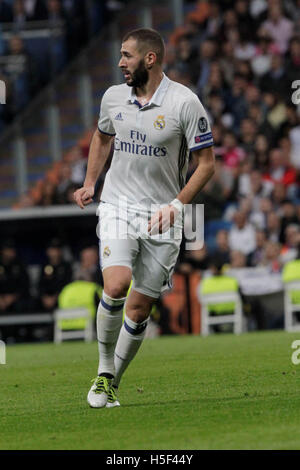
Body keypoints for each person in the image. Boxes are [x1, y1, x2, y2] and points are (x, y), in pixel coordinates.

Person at [74, 28, 215, 409]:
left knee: (138, 310)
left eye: (127, 55)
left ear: (149, 59)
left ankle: (112, 381)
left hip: (162, 216)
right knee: (116, 284)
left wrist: (178, 204)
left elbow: (206, 164)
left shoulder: (185, 103)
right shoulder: (113, 97)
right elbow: (103, 136)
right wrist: (90, 183)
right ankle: (104, 371)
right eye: (120, 55)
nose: (121, 62)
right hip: (118, 205)